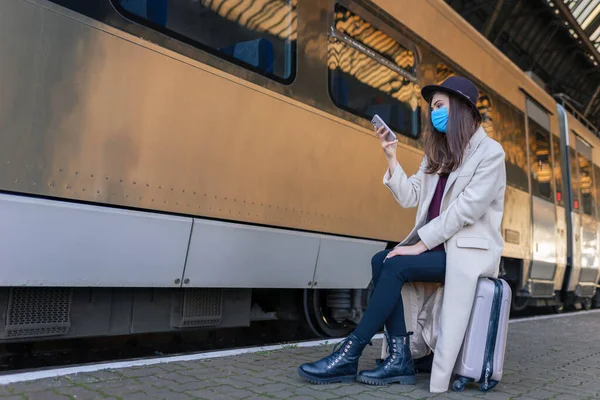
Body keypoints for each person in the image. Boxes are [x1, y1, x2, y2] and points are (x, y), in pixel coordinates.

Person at [297, 76, 506, 393]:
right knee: (382, 260)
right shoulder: (439, 152)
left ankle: (350, 352)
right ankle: (399, 360)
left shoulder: (490, 153)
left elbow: (467, 209)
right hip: (437, 249)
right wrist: (391, 156)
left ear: (462, 108)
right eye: (432, 108)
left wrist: (419, 245)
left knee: (394, 263)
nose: (434, 113)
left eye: (439, 106)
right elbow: (410, 196)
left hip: (468, 253)